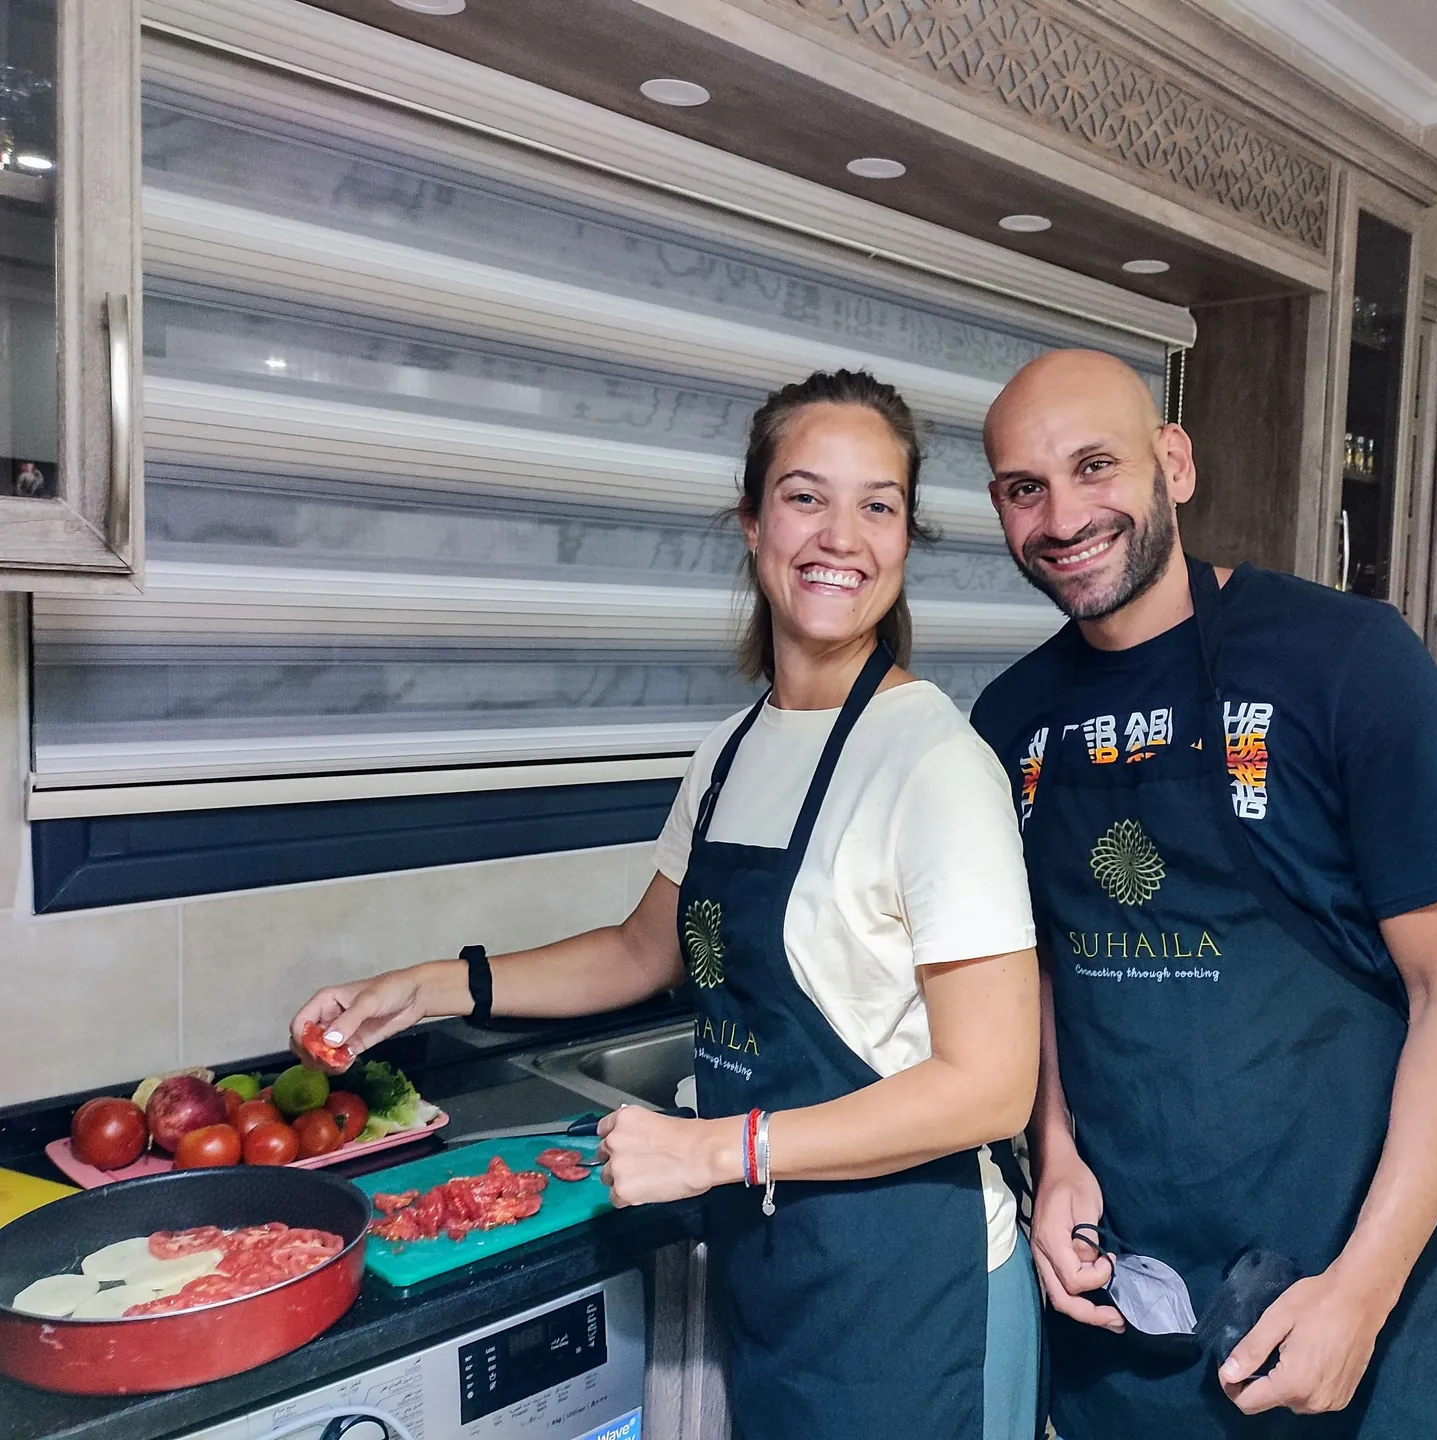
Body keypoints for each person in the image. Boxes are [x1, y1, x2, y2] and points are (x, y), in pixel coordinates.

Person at [292, 370, 1044, 1440]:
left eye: (878, 504)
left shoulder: (935, 767)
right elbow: (645, 949)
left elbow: (992, 1089)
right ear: (750, 521)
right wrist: (434, 986)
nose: (842, 534)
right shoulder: (732, 753)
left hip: (914, 1293)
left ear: (907, 539)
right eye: (804, 495)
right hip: (780, 1266)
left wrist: (714, 1150)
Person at [969, 350, 1437, 1438]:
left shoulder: (1348, 659)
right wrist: (1055, 1151)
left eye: (1095, 466)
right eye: (1027, 488)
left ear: (1174, 462)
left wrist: (1360, 1291)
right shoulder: (1009, 717)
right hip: (1127, 1310)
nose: (1064, 516)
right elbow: (1041, 967)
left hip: (1348, 1292)